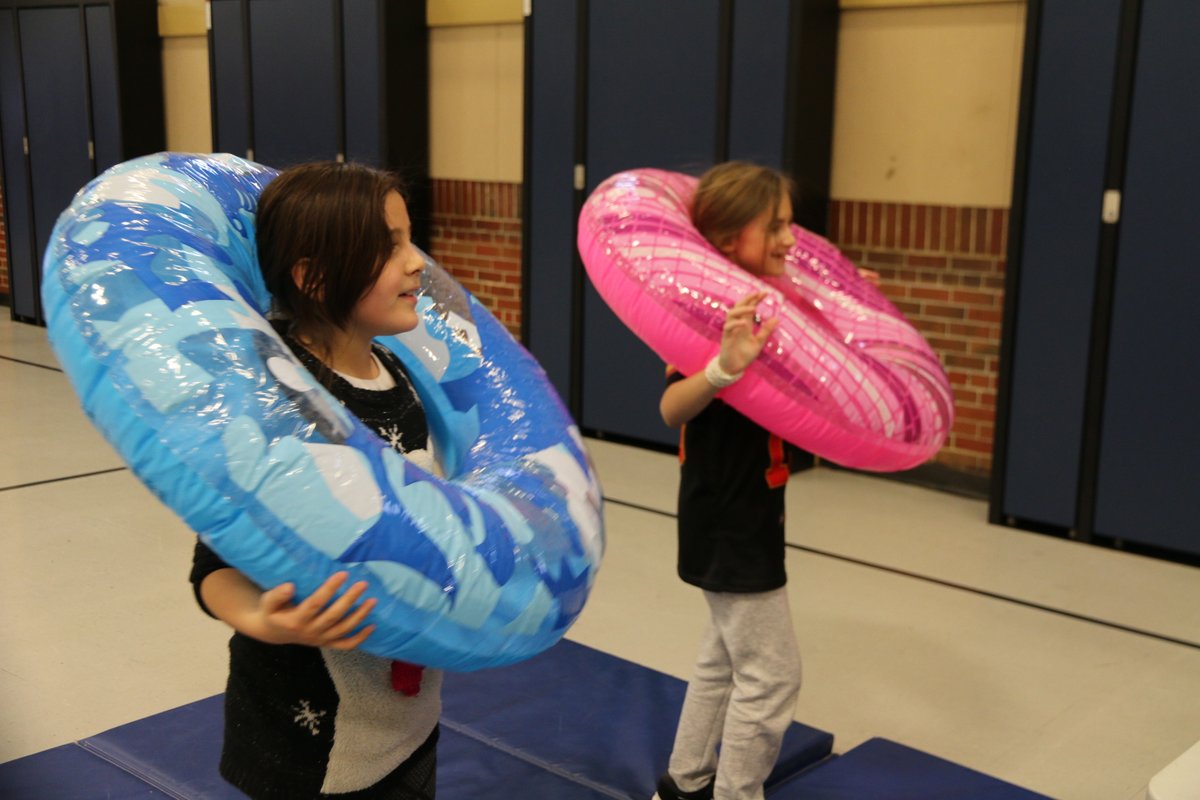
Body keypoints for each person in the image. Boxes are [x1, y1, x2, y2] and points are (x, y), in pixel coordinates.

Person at [191, 162, 440, 799]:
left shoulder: (398, 374)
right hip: (308, 734)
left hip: (404, 717)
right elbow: (213, 563)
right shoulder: (275, 399)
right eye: (390, 247)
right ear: (315, 277)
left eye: (410, 238)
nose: (418, 262)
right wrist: (264, 619)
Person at [652, 161, 805, 800]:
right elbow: (672, 408)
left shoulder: (773, 302)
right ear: (725, 241)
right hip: (726, 513)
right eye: (774, 226)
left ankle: (684, 783)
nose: (790, 240)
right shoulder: (710, 311)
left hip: (754, 504)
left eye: (791, 225)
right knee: (771, 677)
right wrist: (723, 367)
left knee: (723, 656)